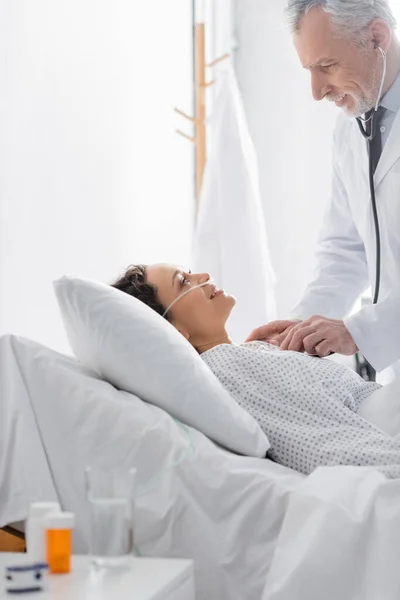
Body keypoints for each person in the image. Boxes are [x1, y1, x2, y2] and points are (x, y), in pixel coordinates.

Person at [112, 263, 400, 478]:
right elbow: (316, 443)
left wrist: (261, 356)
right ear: (176, 331)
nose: (202, 277)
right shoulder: (225, 371)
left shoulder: (241, 358)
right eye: (184, 283)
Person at [247, 0, 400, 383]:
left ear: (376, 37)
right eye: (308, 70)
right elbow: (345, 250)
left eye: (326, 66)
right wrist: (298, 329)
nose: (316, 91)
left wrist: (358, 331)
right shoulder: (350, 127)